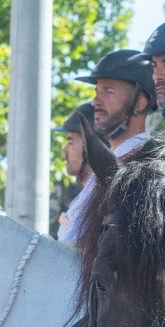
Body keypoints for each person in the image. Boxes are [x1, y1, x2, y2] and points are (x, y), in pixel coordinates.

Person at [59, 50, 157, 241]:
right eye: (97, 92)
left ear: (139, 103)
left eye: (108, 91)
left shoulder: (145, 166)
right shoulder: (106, 165)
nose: (95, 101)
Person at [54, 102, 100, 241]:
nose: (64, 151)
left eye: (70, 142)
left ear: (90, 145)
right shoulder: (86, 195)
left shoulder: (100, 199)